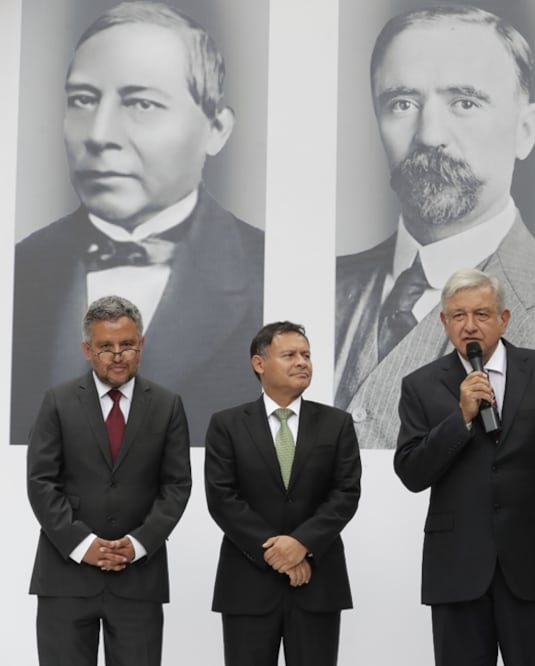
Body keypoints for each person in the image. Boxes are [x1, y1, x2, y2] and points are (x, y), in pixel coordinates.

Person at [11, 0, 263, 447]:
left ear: (216, 129)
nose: (99, 133)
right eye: (83, 101)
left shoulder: (269, 273)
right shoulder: (19, 270)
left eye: (141, 103)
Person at [335, 5, 535, 449]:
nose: (429, 134)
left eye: (464, 102)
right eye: (402, 104)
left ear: (526, 130)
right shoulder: (325, 287)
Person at [394, 268, 535, 666]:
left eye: (482, 314)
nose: (470, 326)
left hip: (532, 564)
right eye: (458, 315)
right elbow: (412, 472)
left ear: (504, 319)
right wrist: (461, 418)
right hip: (456, 567)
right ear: (443, 322)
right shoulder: (421, 384)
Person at [26, 295, 192, 666]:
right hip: (65, 578)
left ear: (142, 345)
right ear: (87, 349)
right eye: (105, 347)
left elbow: (177, 485)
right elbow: (41, 481)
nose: (117, 355)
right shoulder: (58, 400)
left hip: (138, 579)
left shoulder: (167, 405)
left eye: (127, 345)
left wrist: (138, 543)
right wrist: (82, 543)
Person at [204, 322, 362, 666]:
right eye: (289, 355)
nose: (302, 362)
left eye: (306, 355)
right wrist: (277, 553)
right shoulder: (227, 424)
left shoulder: (337, 423)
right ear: (259, 364)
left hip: (317, 582)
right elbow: (222, 497)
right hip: (247, 585)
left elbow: (345, 493)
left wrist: (301, 544)